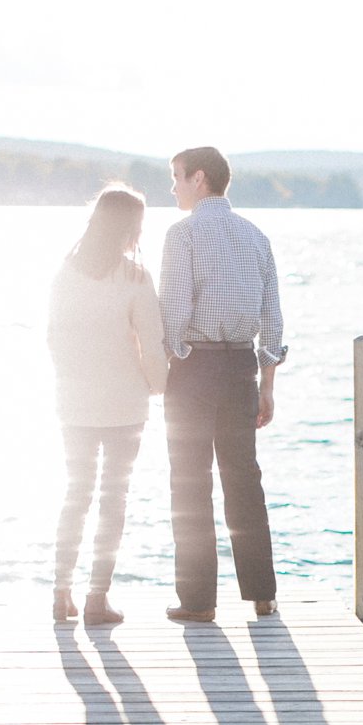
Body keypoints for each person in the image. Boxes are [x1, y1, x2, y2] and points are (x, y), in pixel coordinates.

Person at [158, 145, 285, 624]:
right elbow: (272, 320)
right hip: (241, 369)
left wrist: (166, 360)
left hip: (194, 367)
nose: (173, 187)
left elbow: (173, 311)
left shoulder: (183, 234)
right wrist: (267, 385)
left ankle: (198, 602)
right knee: (244, 480)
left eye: (177, 177)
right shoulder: (256, 236)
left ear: (199, 178)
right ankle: (262, 596)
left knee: (190, 484)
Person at [47, 184, 166, 625]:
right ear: (129, 227)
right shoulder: (136, 278)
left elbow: (53, 337)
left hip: (74, 403)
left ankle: (61, 592)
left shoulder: (65, 273)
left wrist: (68, 381)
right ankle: (97, 598)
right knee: (113, 498)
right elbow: (152, 346)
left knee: (76, 494)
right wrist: (158, 386)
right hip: (124, 405)